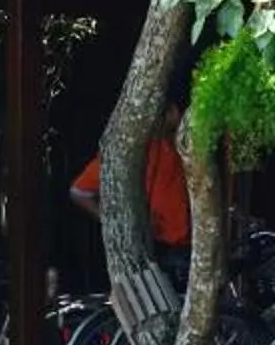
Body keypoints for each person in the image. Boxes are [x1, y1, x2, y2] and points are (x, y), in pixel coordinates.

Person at [70, 103, 193, 254]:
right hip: (159, 249)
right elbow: (79, 191)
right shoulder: (133, 151)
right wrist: (114, 224)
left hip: (196, 246)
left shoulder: (186, 146)